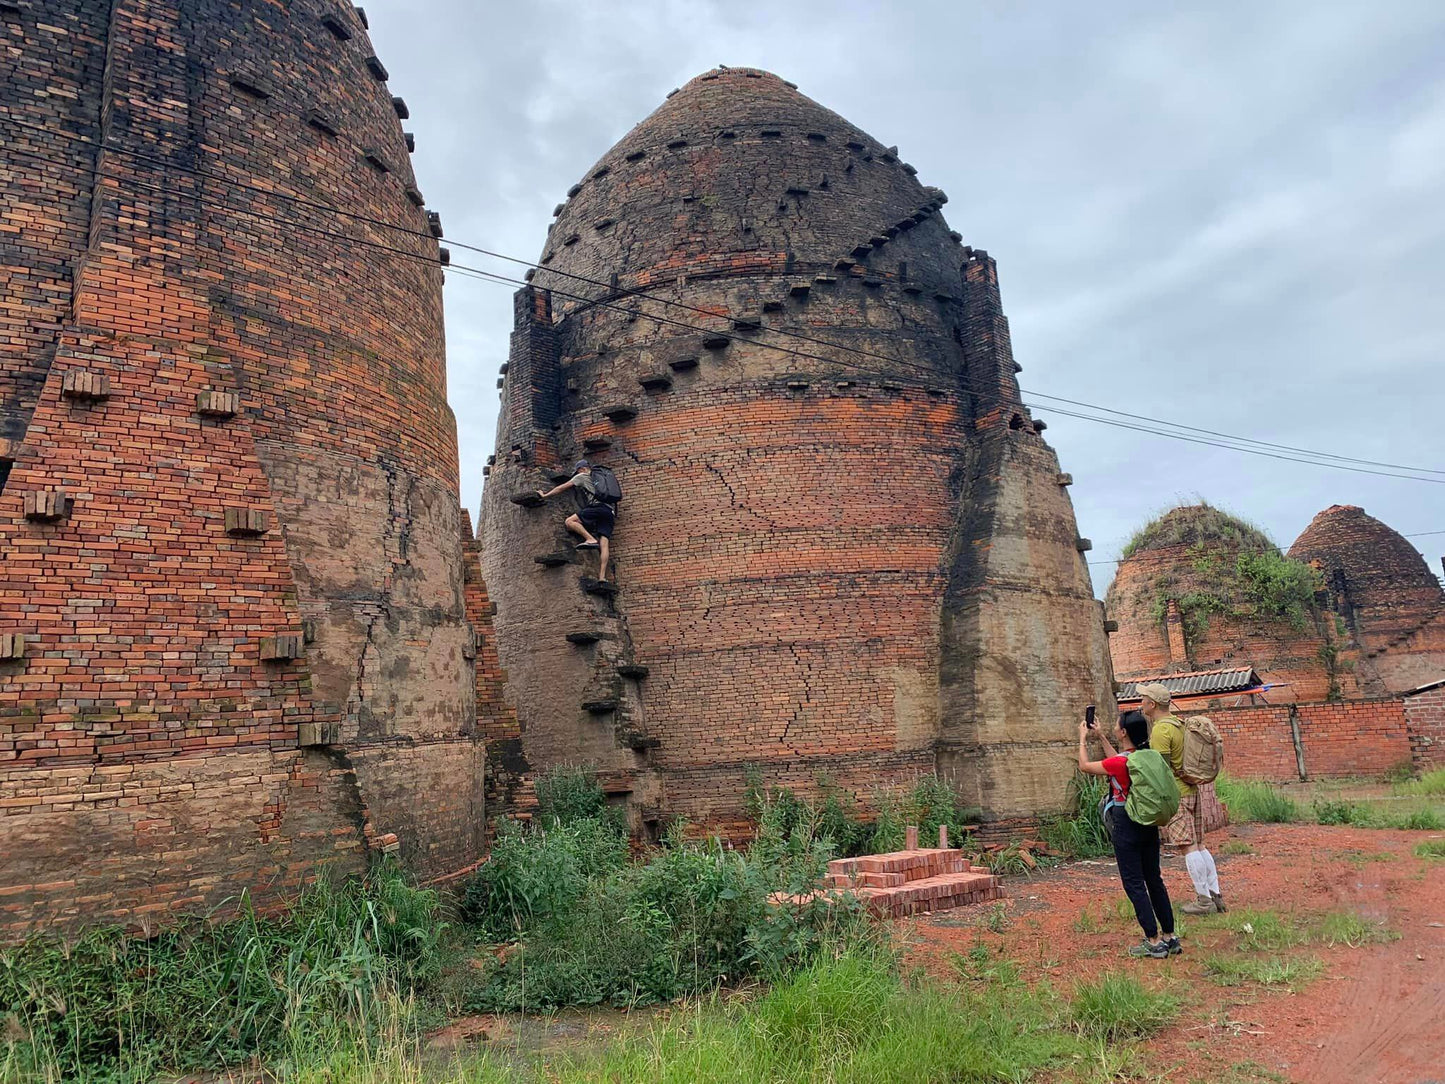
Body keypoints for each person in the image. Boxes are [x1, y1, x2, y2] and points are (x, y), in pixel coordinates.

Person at [1078, 709, 1180, 958]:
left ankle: (1153, 941)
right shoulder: (1148, 756)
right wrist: (1101, 737)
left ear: (1123, 732)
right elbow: (1121, 762)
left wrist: (1082, 738)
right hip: (1148, 820)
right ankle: (1170, 936)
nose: (1114, 726)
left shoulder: (1122, 763)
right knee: (1153, 879)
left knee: (1134, 882)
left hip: (1126, 822)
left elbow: (1084, 766)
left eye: (1116, 725)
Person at [1136, 682, 1225, 915]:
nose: (1140, 703)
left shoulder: (1161, 730)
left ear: (1152, 704)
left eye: (1143, 699)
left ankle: (1203, 900)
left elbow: (1161, 769)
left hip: (1177, 795)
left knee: (1188, 847)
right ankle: (1215, 895)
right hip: (1191, 789)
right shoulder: (1179, 724)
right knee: (1200, 845)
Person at [536, 460, 615, 583]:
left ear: (581, 469)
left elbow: (562, 487)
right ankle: (602, 577)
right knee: (604, 544)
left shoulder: (582, 476)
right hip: (609, 511)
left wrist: (545, 495)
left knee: (569, 522)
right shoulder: (600, 478)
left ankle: (590, 539)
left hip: (597, 507)